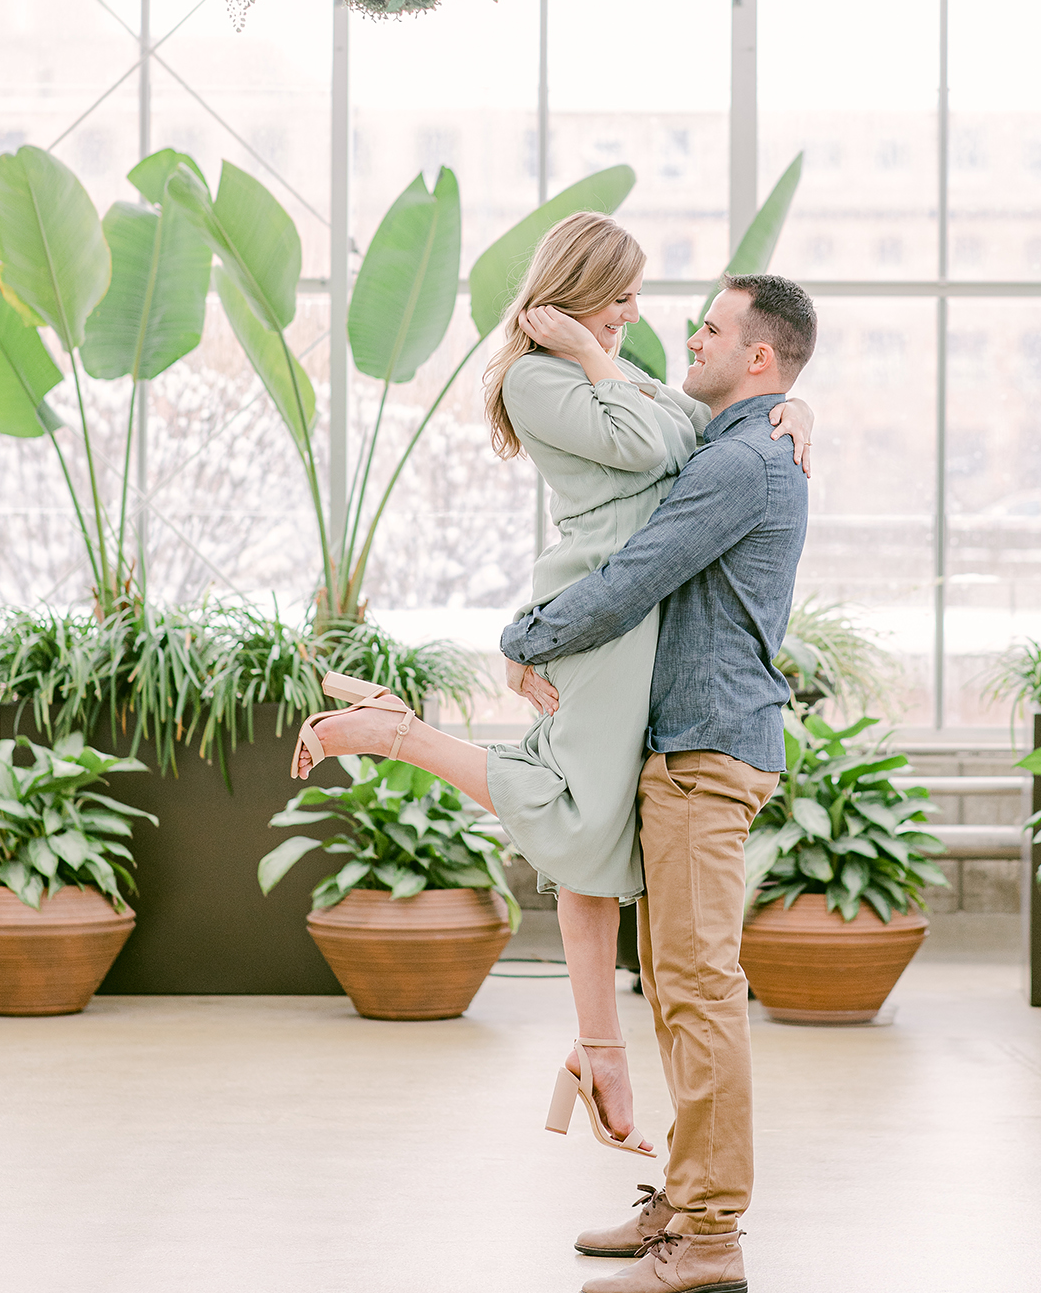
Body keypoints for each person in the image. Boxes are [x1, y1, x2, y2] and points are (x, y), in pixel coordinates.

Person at [292, 216, 812, 1161]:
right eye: (619, 298)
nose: (635, 317)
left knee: (598, 838)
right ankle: (394, 733)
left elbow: (700, 424)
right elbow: (657, 447)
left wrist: (796, 408)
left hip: (626, 613)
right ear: (573, 294)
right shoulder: (539, 377)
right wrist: (580, 350)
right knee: (582, 820)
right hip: (597, 608)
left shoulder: (612, 369)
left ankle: (598, 1052)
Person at [500, 271, 816, 1293]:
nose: (691, 334)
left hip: (702, 752)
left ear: (759, 358)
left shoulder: (748, 460)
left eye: (713, 329)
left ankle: (710, 1236)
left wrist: (524, 636)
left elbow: (640, 569)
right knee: (683, 989)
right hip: (688, 749)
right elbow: (662, 424)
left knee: (697, 991)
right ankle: (682, 1206)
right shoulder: (744, 438)